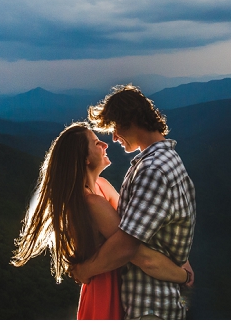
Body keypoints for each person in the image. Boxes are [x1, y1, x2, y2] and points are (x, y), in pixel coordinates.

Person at [12, 122, 191, 320]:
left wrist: (182, 260)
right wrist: (184, 276)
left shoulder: (101, 185)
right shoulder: (92, 202)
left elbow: (141, 224)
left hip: (114, 286)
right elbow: (138, 253)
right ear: (86, 159)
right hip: (106, 293)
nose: (105, 145)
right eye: (97, 143)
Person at [71, 85, 196, 320]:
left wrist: (85, 270)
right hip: (155, 301)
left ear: (133, 120)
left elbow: (128, 247)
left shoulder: (152, 169)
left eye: (115, 128)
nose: (114, 137)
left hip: (150, 304)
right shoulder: (164, 160)